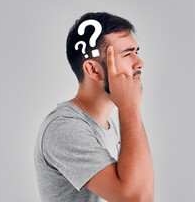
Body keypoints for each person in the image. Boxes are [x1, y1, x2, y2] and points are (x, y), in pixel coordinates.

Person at [34, 12, 153, 201]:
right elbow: (138, 198)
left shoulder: (108, 124)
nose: (140, 63)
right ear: (93, 69)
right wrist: (130, 107)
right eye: (127, 54)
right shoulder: (64, 127)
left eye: (136, 52)